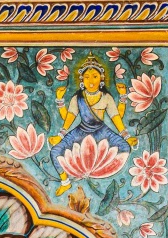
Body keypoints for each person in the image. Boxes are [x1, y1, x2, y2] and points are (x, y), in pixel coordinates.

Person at [48, 56, 137, 197]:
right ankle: (65, 182)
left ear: (101, 79)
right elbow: (69, 117)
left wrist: (126, 136)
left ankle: (101, 170)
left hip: (102, 131)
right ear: (82, 80)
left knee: (125, 147)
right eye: (87, 77)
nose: (91, 81)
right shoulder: (78, 98)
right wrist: (60, 134)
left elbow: (116, 117)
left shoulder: (106, 97)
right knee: (55, 151)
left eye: (95, 76)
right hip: (81, 131)